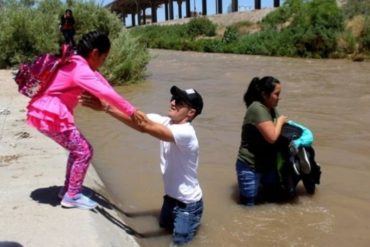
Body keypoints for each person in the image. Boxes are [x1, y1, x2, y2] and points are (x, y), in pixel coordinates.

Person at [26, 31, 138, 210]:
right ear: (94, 53)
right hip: (51, 114)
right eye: (104, 57)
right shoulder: (81, 69)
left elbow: (102, 83)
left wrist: (124, 106)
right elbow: (105, 93)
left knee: (78, 150)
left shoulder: (76, 61)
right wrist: (131, 111)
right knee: (84, 151)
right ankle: (72, 196)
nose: (104, 62)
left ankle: (68, 191)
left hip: (44, 112)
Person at [81, 86, 204, 245]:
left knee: (178, 243)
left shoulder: (186, 133)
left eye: (179, 102)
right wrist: (102, 96)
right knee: (165, 232)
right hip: (170, 199)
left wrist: (106, 107)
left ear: (191, 113)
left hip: (187, 207)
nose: (173, 103)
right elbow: (137, 117)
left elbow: (143, 127)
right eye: (173, 99)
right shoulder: (167, 122)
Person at [235, 76, 288, 206]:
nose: (279, 97)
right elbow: (272, 137)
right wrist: (280, 121)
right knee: (248, 208)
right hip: (250, 166)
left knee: (274, 200)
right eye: (276, 94)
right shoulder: (257, 109)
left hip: (267, 165)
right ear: (264, 94)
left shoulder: (270, 108)